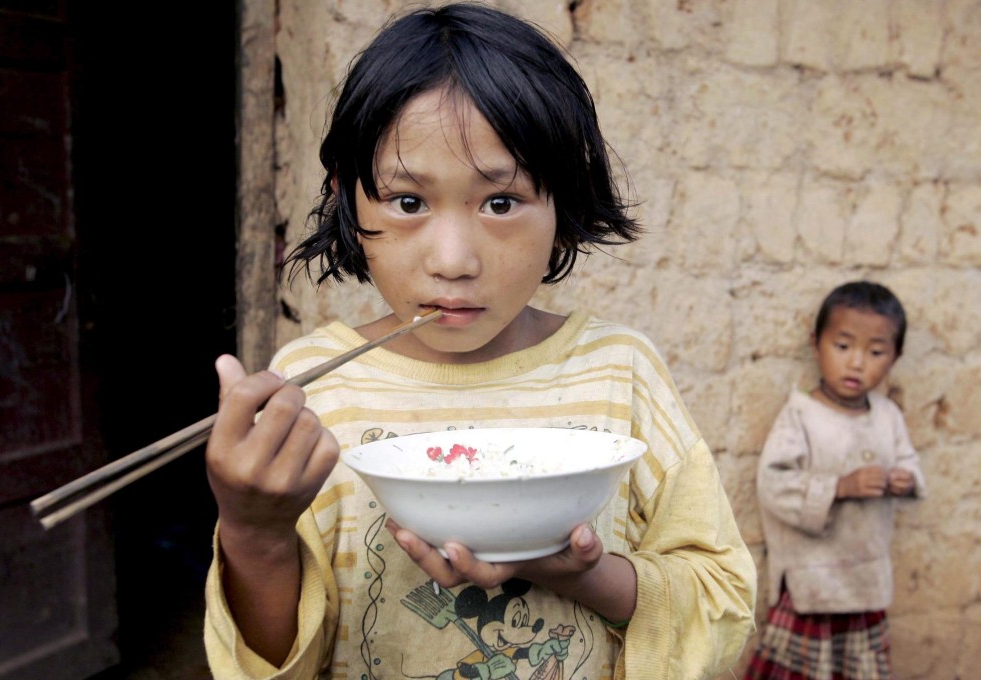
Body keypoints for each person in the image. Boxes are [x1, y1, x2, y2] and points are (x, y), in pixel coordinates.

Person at [203, 4, 756, 679]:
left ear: (564, 203)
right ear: (347, 199)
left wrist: (581, 575)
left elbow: (722, 604)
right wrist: (254, 533)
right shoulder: (313, 386)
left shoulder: (619, 372)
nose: (454, 261)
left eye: (500, 203)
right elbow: (279, 661)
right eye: (408, 202)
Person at [745, 281, 926, 680]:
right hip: (813, 583)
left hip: (866, 583)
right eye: (843, 347)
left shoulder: (887, 415)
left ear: (895, 357)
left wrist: (904, 479)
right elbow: (773, 482)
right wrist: (839, 487)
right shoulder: (801, 414)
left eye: (876, 352)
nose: (857, 363)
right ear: (816, 344)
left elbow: (911, 465)